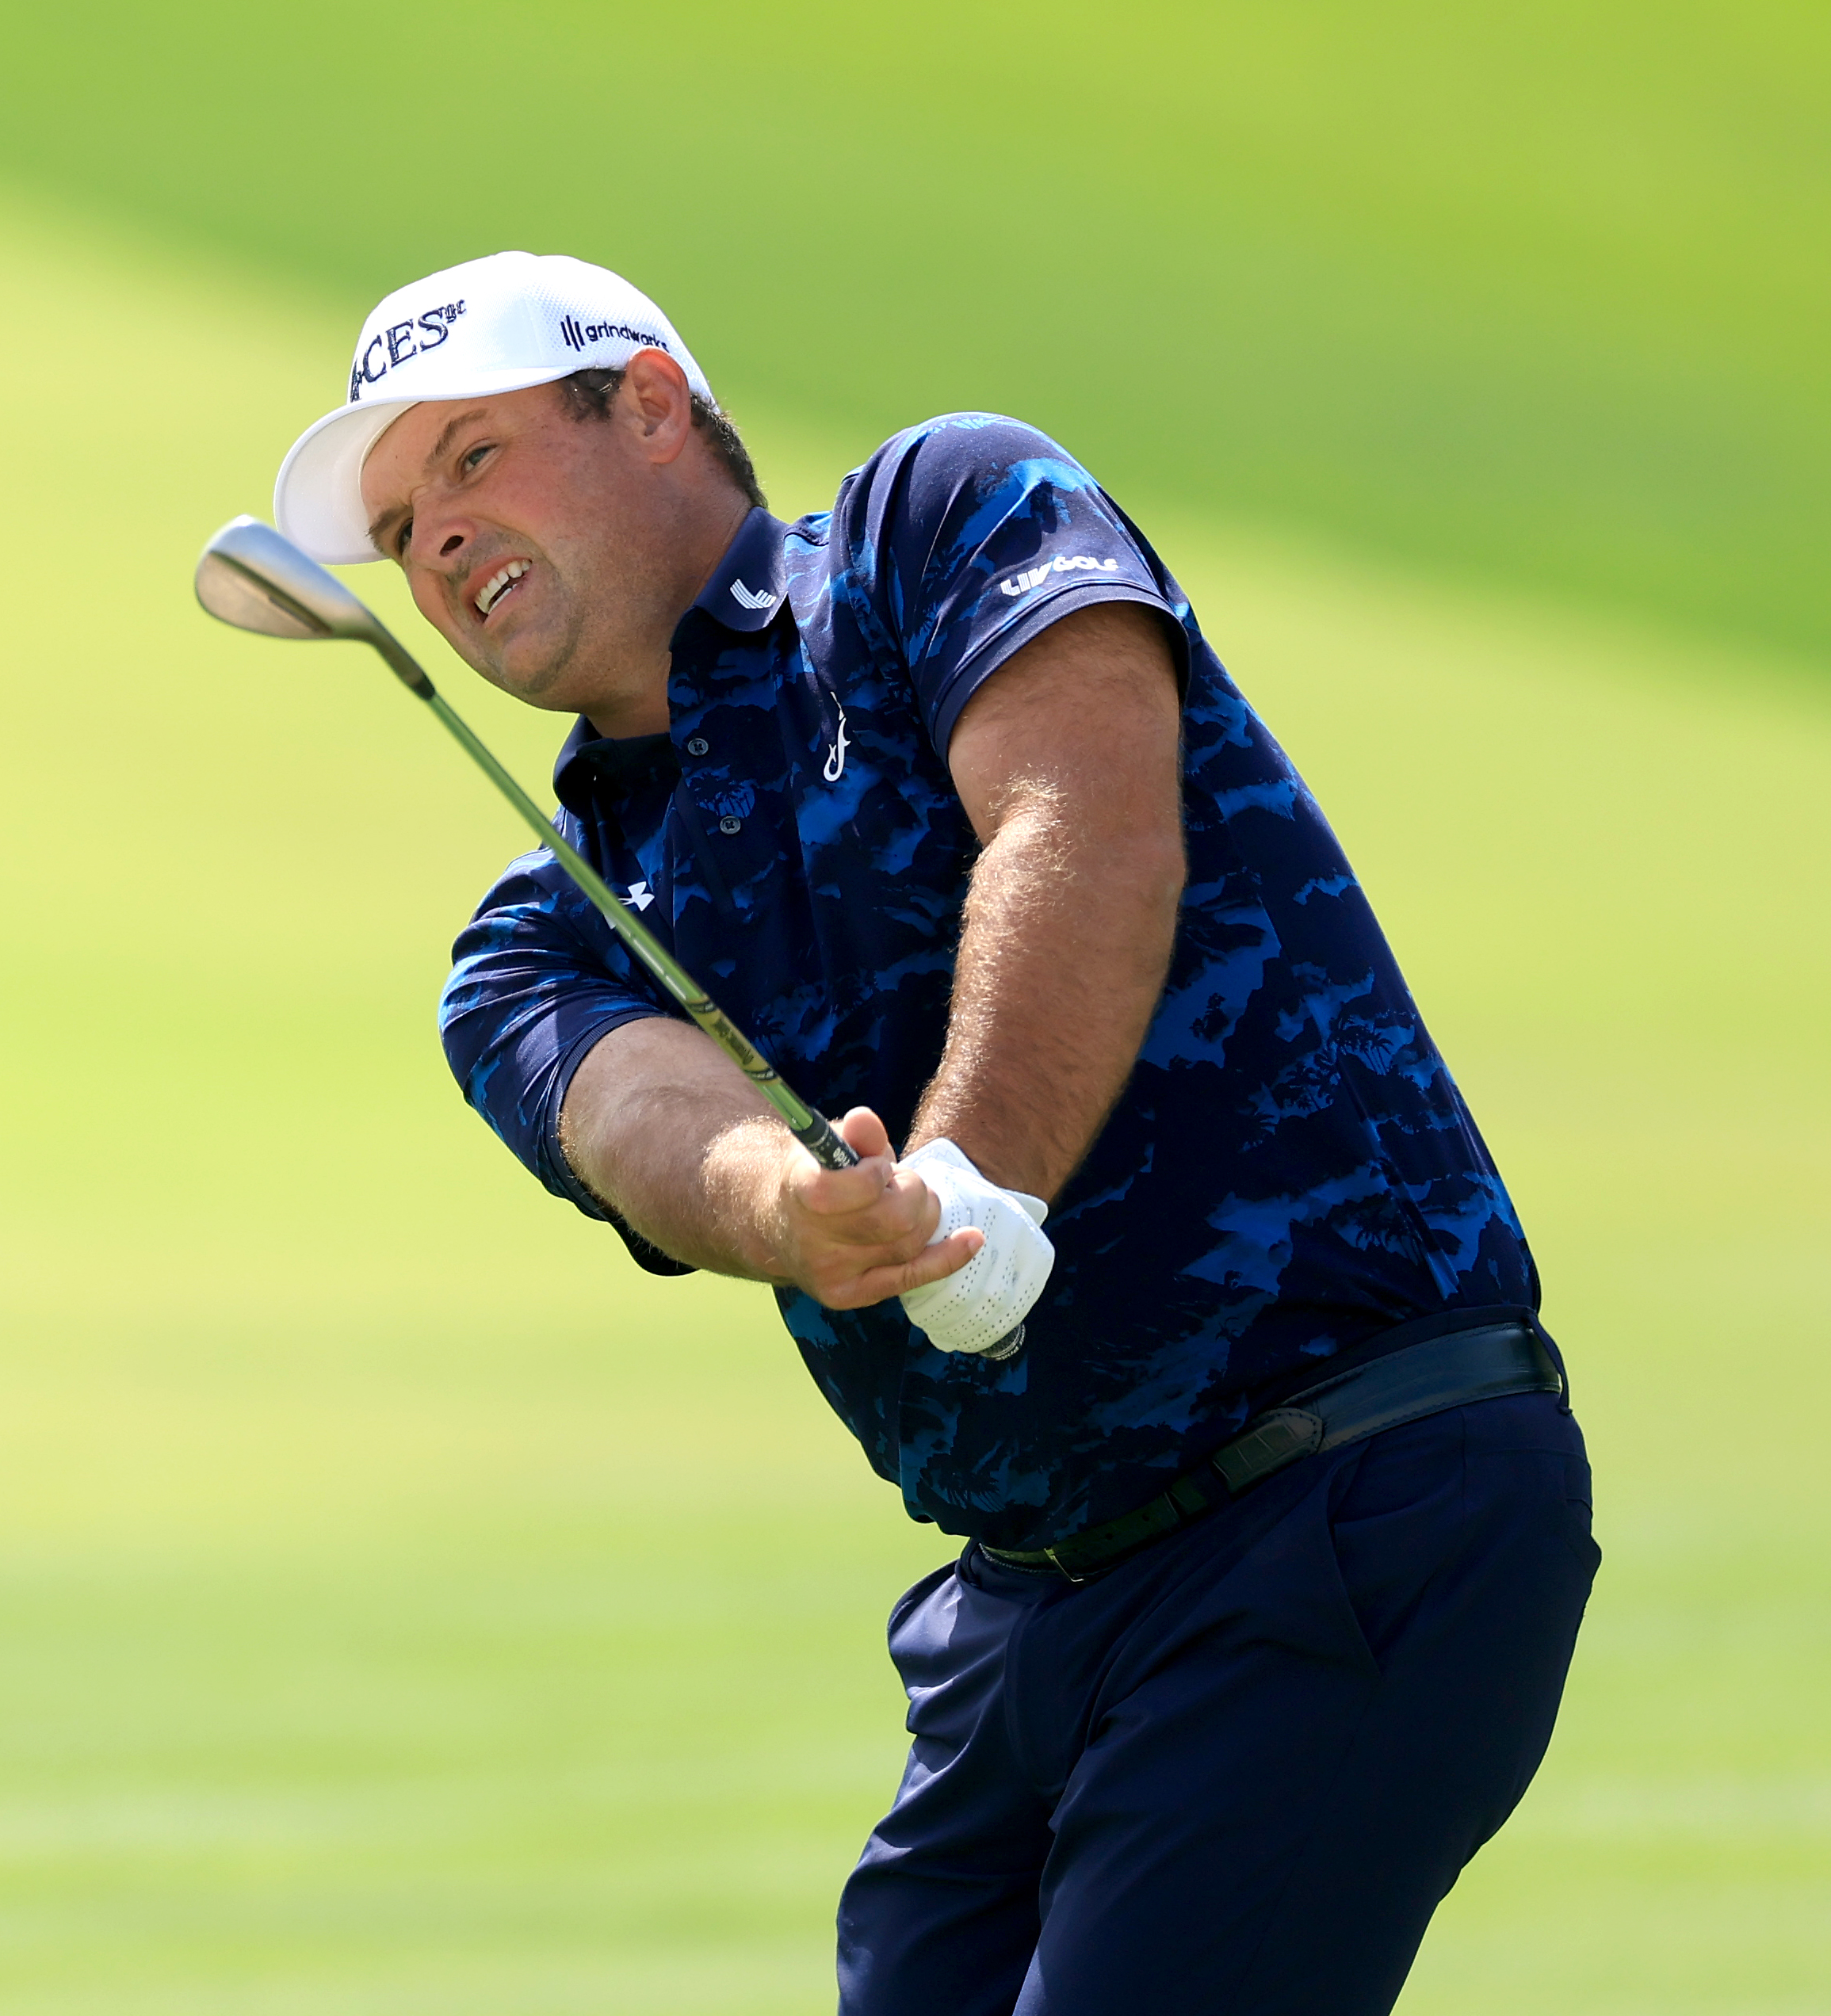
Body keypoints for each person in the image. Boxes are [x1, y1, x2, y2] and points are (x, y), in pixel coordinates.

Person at [264, 251, 1600, 2015]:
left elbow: (1086, 820)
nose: (432, 540)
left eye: (473, 458)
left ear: (649, 405)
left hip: (1344, 1488)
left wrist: (973, 1182)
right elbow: (633, 1108)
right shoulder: (533, 938)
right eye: (399, 522)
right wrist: (792, 1209)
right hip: (1024, 1622)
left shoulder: (936, 525)